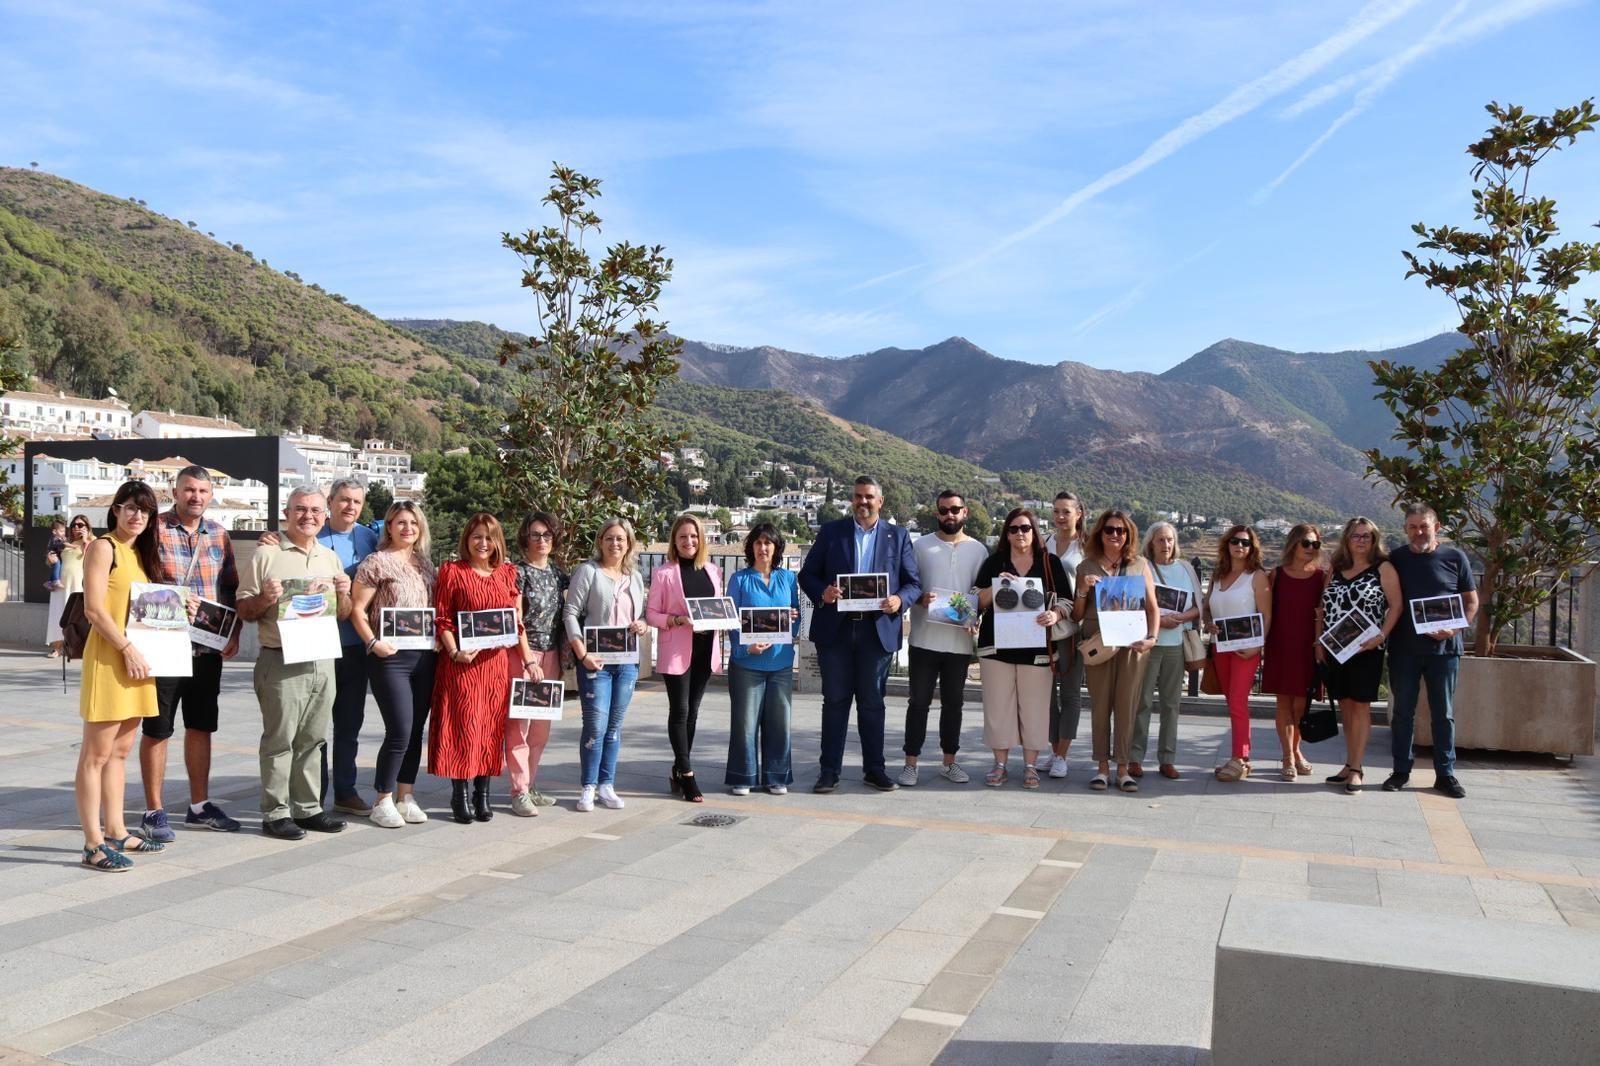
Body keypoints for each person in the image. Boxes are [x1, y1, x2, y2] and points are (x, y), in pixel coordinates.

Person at [235, 486, 353, 840]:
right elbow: (244, 609)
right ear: (287, 513)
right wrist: (263, 598)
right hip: (281, 660)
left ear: (325, 515)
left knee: (314, 739)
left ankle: (308, 808)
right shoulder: (266, 555)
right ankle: (275, 812)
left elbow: (342, 615)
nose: (309, 516)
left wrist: (344, 593)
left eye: (316, 510)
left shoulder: (329, 558)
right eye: (301, 509)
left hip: (322, 658)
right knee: (280, 739)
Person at [797, 475, 922, 793]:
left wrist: (899, 600)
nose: (862, 502)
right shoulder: (831, 532)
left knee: (872, 703)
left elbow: (913, 583)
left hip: (876, 631)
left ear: (880, 501)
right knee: (835, 702)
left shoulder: (898, 536)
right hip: (836, 631)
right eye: (857, 496)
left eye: (868, 497)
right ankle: (829, 772)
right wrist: (822, 592)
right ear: (851, 500)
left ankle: (874, 769)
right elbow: (807, 574)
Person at [138, 466, 243, 841]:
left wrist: (234, 631)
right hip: (163, 644)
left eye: (202, 490)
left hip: (205, 648)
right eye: (188, 490)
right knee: (158, 728)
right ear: (175, 491)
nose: (195, 496)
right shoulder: (154, 528)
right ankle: (154, 811)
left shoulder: (218, 534)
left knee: (201, 725)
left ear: (210, 494)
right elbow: (138, 584)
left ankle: (199, 806)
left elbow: (229, 587)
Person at [76, 482, 169, 870]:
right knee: (95, 756)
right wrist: (127, 648)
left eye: (145, 511)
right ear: (115, 510)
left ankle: (116, 830)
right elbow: (94, 610)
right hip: (112, 659)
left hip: (138, 663)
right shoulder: (103, 547)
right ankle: (92, 843)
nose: (137, 516)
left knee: (120, 752)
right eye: (131, 508)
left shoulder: (141, 554)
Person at [432, 512, 538, 823]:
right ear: (467, 539)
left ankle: (483, 793)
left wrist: (529, 659)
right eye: (476, 536)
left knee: (491, 728)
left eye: (489, 537)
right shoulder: (453, 572)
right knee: (464, 726)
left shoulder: (507, 574)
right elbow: (443, 619)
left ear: (498, 542)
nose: (483, 542)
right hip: (462, 664)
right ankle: (460, 793)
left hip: (495, 664)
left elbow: (515, 623)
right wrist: (454, 652)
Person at [349, 501, 438, 828]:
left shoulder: (425, 565)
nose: (407, 529)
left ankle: (406, 794)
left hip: (425, 657)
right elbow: (358, 609)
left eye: (413, 523)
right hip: (391, 658)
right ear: (388, 526)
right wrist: (373, 643)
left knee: (415, 731)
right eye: (400, 522)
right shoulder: (377, 563)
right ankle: (382, 798)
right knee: (399, 729)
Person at [1383, 503, 1478, 799]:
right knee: (1402, 713)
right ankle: (1400, 771)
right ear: (1405, 529)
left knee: (1444, 714)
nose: (1418, 532)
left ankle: (1446, 774)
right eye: (1412, 527)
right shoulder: (1395, 559)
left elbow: (1471, 601)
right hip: (1403, 650)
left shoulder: (1455, 557)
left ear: (1436, 527)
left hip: (1445, 650)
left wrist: (1455, 628)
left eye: (1423, 526)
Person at [973, 508, 1071, 789]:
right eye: (1013, 529)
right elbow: (974, 600)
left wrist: (1055, 615)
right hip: (996, 649)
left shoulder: (1050, 562)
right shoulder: (994, 563)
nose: (1020, 534)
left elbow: (1067, 602)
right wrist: (995, 588)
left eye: (1025, 528)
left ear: (1034, 531)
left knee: (1035, 709)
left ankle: (1030, 766)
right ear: (1007, 533)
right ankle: (1000, 765)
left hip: (1037, 650)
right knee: (997, 708)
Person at [897, 490, 987, 786]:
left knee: (954, 705)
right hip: (923, 639)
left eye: (955, 509)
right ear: (937, 513)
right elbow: (908, 585)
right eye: (944, 510)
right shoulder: (920, 545)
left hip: (959, 643)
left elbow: (979, 594)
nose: (950, 514)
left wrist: (976, 616)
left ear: (965, 513)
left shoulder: (979, 550)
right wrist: (920, 598)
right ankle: (911, 763)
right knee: (918, 703)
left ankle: (950, 762)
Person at [1071, 510, 1160, 792]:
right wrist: (1083, 590)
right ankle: (1101, 767)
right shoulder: (1086, 566)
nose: (1115, 535)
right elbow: (1076, 615)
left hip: (1132, 645)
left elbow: (1152, 607)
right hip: (1099, 643)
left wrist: (1152, 638)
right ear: (1100, 533)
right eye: (1110, 530)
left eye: (1121, 531)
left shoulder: (1140, 565)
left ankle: (1123, 768)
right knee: (1100, 707)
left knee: (1127, 706)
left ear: (1129, 534)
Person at [565, 517, 648, 812]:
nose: (615, 543)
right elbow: (571, 613)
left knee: (614, 726)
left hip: (626, 663)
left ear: (629, 545)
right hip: (595, 661)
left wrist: (643, 624)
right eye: (610, 538)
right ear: (600, 541)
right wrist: (581, 652)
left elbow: (644, 615)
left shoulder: (635, 577)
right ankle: (587, 786)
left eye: (621, 539)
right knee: (595, 725)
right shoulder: (588, 571)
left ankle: (606, 785)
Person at [1315, 517, 1402, 794]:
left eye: (1366, 536)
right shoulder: (1336, 568)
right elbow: (1322, 608)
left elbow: (1397, 605)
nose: (1361, 540)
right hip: (1336, 650)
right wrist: (1318, 642)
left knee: (1361, 707)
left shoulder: (1383, 568)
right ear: (1347, 539)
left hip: (1366, 650)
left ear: (1374, 539)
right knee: (1346, 708)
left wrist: (1381, 635)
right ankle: (1348, 764)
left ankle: (1357, 769)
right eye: (1356, 536)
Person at [646, 513, 725, 803]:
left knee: (692, 712)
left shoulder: (714, 572)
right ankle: (688, 775)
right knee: (679, 711)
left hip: (705, 649)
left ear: (701, 539)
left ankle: (678, 769)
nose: (688, 541)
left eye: (693, 536)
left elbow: (719, 607)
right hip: (677, 649)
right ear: (674, 541)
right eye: (682, 537)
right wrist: (676, 619)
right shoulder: (664, 573)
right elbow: (652, 614)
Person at [725, 522, 801, 795]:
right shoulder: (739, 579)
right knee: (745, 723)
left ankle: (776, 776)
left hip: (780, 662)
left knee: (780, 722)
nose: (763, 548)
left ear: (777, 547)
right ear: (751, 547)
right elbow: (732, 621)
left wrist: (791, 621)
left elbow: (795, 616)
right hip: (748, 663)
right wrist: (746, 649)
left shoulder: (789, 579)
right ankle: (742, 777)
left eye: (768, 543)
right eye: (758, 543)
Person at [318, 479, 380, 816]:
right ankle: (315, 793)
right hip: (318, 645)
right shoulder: (312, 535)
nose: (350, 507)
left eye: (356, 501)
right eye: (343, 500)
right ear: (330, 502)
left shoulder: (369, 539)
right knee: (315, 726)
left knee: (349, 725)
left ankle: (345, 791)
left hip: (355, 645)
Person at [508, 511, 568, 815]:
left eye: (547, 534)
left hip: (552, 656)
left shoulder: (558, 574)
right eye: (535, 534)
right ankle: (518, 790)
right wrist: (528, 659)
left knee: (541, 729)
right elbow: (515, 620)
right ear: (525, 538)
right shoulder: (518, 572)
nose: (542, 540)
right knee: (519, 725)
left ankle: (531, 784)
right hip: (524, 656)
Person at [1203, 524, 1273, 782]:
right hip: (1221, 646)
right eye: (1235, 541)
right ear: (1227, 544)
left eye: (1245, 542)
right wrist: (1207, 621)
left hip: (1246, 649)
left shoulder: (1257, 576)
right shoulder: (1217, 575)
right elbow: (1207, 607)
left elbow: (1267, 615)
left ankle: (1240, 758)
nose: (1240, 546)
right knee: (1231, 702)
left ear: (1252, 547)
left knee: (1238, 703)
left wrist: (1258, 646)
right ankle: (1239, 756)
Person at [1132, 522, 1201, 780]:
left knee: (1172, 704)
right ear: (1151, 542)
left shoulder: (1185, 569)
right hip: (1149, 644)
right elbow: (1135, 603)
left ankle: (1167, 759)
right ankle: (1135, 758)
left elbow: (1198, 607)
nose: (1166, 545)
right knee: (1143, 703)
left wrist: (1181, 618)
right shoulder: (1142, 567)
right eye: (1160, 540)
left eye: (1170, 540)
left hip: (1175, 646)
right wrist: (1160, 620)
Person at [1261, 523, 1328, 781]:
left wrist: (1320, 645)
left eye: (1316, 544)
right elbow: (1266, 611)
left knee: (1302, 706)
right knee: (1283, 704)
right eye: (1306, 543)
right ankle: (1288, 755)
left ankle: (1296, 750)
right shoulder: (1276, 574)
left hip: (1308, 647)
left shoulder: (1322, 577)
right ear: (1294, 544)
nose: (1311, 548)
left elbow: (1323, 614)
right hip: (1281, 644)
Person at [1043, 491, 1088, 779]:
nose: (1060, 516)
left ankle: (1062, 754)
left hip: (1074, 628)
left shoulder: (1086, 548)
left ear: (1078, 514)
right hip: (1044, 627)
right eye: (1056, 511)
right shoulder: (1044, 543)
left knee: (1070, 693)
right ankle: (1052, 748)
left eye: (1066, 512)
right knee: (1045, 694)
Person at [45, 518, 68, 657]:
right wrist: (49, 559)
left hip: (75, 584)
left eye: (82, 525)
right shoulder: (58, 541)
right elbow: (49, 561)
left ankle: (72, 647)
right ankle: (56, 648)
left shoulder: (86, 542)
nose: (78, 527)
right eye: (76, 525)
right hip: (60, 586)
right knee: (57, 616)